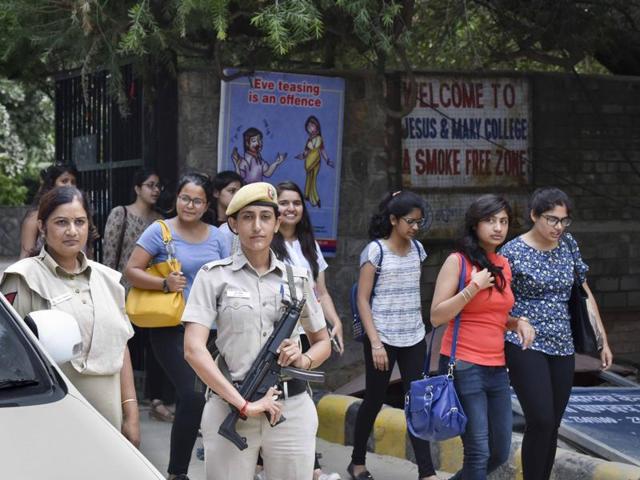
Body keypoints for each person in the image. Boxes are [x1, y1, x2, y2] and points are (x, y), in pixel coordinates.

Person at [183, 182, 331, 480]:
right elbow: (193, 349)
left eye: (265, 217)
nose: (257, 226)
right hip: (232, 404)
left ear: (277, 223)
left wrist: (302, 360)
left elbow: (322, 342)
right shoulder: (213, 277)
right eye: (247, 217)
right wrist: (243, 404)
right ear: (233, 224)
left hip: (290, 410)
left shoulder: (297, 279)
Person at [1, 186, 139, 446]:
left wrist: (130, 412)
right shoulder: (22, 279)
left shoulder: (109, 280)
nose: (72, 231)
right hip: (49, 417)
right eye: (61, 222)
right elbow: (9, 357)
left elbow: (121, 347)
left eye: (80, 222)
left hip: (108, 415)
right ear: (42, 226)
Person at [500, 187, 613, 480]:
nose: (558, 227)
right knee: (540, 418)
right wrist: (514, 324)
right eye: (552, 219)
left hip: (562, 344)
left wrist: (602, 340)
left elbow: (583, 290)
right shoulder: (512, 251)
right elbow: (496, 303)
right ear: (534, 215)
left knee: (553, 424)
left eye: (564, 221)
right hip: (524, 342)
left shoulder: (568, 244)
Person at [126, 172, 230, 480]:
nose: (190, 205)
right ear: (177, 199)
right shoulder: (159, 231)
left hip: (209, 328)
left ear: (207, 203)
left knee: (211, 397)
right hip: (170, 327)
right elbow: (131, 270)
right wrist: (163, 283)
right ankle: (178, 473)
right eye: (185, 198)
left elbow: (227, 277)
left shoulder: (218, 236)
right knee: (193, 393)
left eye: (198, 200)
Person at [430, 195, 535, 480]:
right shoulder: (458, 261)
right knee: (478, 453)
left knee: (500, 451)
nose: (498, 227)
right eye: (490, 220)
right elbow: (437, 316)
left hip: (497, 368)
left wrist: (518, 323)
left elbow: (495, 317)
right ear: (475, 224)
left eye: (503, 221)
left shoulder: (503, 264)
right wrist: (471, 289)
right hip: (464, 365)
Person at [348, 191, 437, 480]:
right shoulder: (376, 251)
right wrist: (375, 343)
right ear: (393, 220)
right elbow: (363, 299)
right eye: (410, 221)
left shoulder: (418, 249)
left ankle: (426, 472)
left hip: (413, 337)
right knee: (373, 400)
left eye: (419, 222)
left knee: (417, 402)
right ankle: (357, 462)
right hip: (382, 337)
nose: (414, 227)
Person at [267, 180, 343, 480]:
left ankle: (309, 468)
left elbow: (320, 292)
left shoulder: (309, 245)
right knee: (282, 397)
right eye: (284, 203)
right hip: (280, 331)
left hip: (308, 333)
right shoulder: (268, 245)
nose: (290, 208)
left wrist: (334, 322)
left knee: (301, 399)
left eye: (296, 203)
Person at [102, 168, 175, 423]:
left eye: (158, 186)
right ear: (137, 188)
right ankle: (125, 401)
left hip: (154, 294)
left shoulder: (162, 222)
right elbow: (110, 258)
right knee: (126, 349)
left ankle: (156, 400)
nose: (155, 190)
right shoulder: (120, 214)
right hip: (124, 294)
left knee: (156, 350)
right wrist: (110, 295)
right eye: (150, 185)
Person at [20, 163, 78, 258]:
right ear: (52, 184)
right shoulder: (36, 215)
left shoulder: (80, 214)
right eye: (64, 181)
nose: (69, 185)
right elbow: (25, 256)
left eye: (73, 182)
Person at [295, 116, 333, 208]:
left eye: (312, 126)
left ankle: (315, 200)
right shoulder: (309, 139)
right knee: (309, 178)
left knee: (313, 180)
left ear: (317, 126)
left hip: (316, 161)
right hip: (308, 162)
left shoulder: (319, 138)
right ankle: (307, 195)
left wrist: (327, 161)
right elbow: (306, 152)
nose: (310, 128)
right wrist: (301, 156)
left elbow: (322, 151)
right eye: (308, 127)